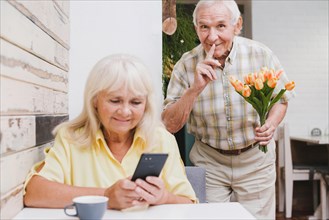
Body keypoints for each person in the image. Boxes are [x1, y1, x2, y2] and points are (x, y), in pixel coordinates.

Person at [162, 0, 295, 219]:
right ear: (196, 28)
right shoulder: (186, 65)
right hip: (209, 159)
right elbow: (169, 124)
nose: (212, 37)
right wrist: (194, 89)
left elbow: (281, 100)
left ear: (237, 25)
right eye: (204, 27)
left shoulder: (260, 55)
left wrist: (271, 124)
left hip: (255, 160)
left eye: (221, 26)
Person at [24, 54, 197, 210]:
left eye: (136, 102)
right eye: (115, 101)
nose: (125, 111)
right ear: (94, 101)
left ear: (146, 105)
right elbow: (34, 193)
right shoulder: (71, 138)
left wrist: (163, 197)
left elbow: (189, 203)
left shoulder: (161, 140)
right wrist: (106, 196)